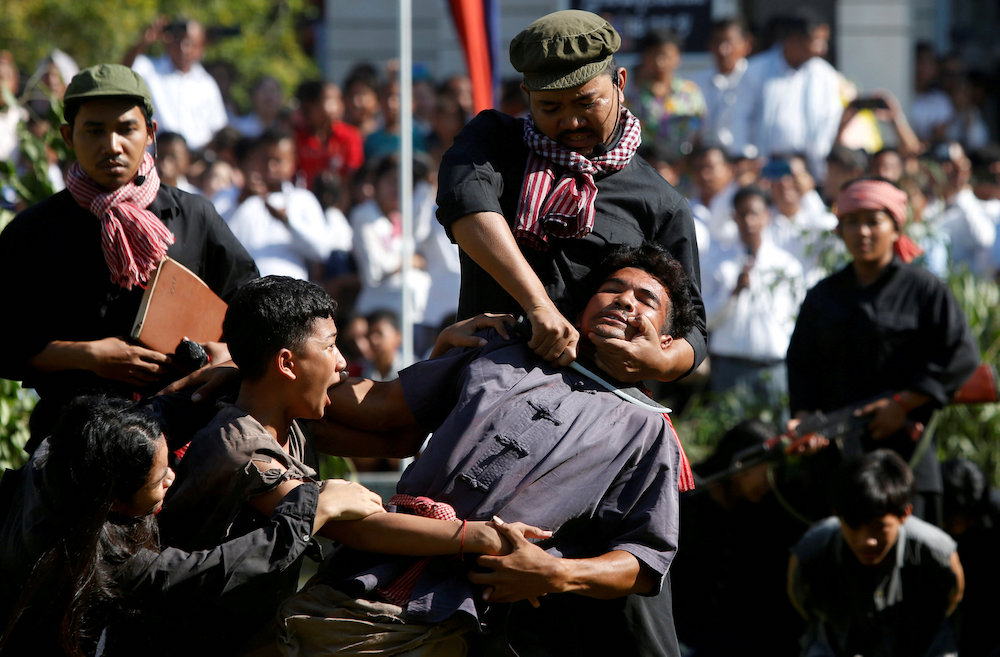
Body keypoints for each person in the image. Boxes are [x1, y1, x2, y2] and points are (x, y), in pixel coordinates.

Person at [286, 243, 696, 657]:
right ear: (581, 311)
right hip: (367, 566)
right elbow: (384, 408)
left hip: (475, 620)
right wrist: (272, 374)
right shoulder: (505, 348)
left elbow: (645, 560)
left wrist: (557, 572)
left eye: (646, 300)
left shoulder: (649, 429)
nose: (624, 300)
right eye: (612, 289)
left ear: (666, 342)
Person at [160, 276, 543, 654]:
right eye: (330, 347)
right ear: (287, 364)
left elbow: (400, 440)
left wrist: (444, 351)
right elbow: (358, 528)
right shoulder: (241, 448)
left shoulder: (290, 417)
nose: (342, 362)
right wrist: (481, 536)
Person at [435, 9, 707, 386]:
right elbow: (466, 207)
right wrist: (537, 304)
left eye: (586, 103)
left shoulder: (661, 201)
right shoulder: (493, 142)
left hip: (596, 396)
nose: (572, 122)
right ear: (528, 96)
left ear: (620, 83)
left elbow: (694, 329)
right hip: (485, 379)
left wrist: (658, 361)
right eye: (550, 108)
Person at [0, 395, 384, 657]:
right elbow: (215, 568)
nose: (172, 476)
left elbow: (156, 415)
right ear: (113, 502)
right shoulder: (107, 562)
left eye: (168, 463)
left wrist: (213, 382)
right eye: (158, 480)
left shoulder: (70, 452)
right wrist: (315, 507)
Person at [0, 64, 258, 445]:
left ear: (150, 133)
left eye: (126, 129)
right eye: (94, 131)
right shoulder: (34, 231)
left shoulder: (193, 217)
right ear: (68, 136)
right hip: (72, 439)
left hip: (185, 438)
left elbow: (254, 308)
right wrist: (88, 356)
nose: (112, 145)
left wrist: (226, 353)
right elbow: (5, 342)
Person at [786, 177, 980, 526]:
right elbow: (801, 365)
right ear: (839, 230)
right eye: (851, 222)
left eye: (873, 221)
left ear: (895, 228)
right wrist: (804, 420)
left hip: (909, 460)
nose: (862, 232)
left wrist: (903, 403)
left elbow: (962, 355)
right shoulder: (822, 296)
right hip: (837, 465)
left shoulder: (924, 290)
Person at [788, 450, 965, 657]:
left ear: (904, 514)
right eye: (854, 526)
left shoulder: (935, 551)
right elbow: (800, 600)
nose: (867, 541)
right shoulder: (814, 550)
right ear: (838, 515)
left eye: (878, 528)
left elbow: (952, 597)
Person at [672, 419, 806, 657]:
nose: (770, 482)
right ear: (741, 463)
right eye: (766, 470)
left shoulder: (756, 507)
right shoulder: (686, 498)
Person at [702, 186, 804, 415]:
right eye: (743, 214)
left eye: (754, 214)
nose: (749, 221)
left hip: (773, 366)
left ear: (767, 216)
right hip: (730, 365)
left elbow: (796, 318)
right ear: (734, 218)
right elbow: (703, 319)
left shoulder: (786, 266)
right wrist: (732, 293)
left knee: (776, 431)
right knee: (730, 429)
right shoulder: (717, 262)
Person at [737, 9, 842, 179]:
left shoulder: (825, 75)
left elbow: (831, 121)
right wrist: (746, 157)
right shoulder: (755, 70)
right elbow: (740, 117)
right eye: (817, 41)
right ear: (794, 38)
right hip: (763, 166)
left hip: (808, 168)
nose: (823, 48)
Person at [227, 128, 333, 280]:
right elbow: (219, 245)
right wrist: (240, 201)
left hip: (291, 288)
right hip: (247, 288)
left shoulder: (303, 199)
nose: (271, 167)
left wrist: (287, 221)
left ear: (292, 162)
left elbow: (322, 251)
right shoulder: (234, 196)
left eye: (278, 161)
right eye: (265, 159)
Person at [124, 18, 228, 151]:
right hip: (156, 155)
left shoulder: (207, 84)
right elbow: (123, 74)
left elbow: (218, 128)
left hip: (196, 158)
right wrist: (142, 43)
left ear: (200, 48)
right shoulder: (149, 69)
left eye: (190, 43)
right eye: (179, 41)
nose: (183, 48)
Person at [626, 28, 707, 160]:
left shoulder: (690, 92)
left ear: (677, 57)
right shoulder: (633, 96)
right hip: (647, 165)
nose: (659, 61)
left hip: (684, 166)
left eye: (665, 55)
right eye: (653, 55)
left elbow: (700, 132)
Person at [690, 17, 753, 158]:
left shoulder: (756, 79)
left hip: (747, 161)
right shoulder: (696, 83)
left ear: (746, 43)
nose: (723, 50)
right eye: (717, 42)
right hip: (709, 161)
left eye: (729, 42)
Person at [293, 79, 364, 188]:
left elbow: (354, 173)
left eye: (340, 99)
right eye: (331, 100)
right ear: (311, 105)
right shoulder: (297, 137)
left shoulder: (350, 135)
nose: (339, 106)